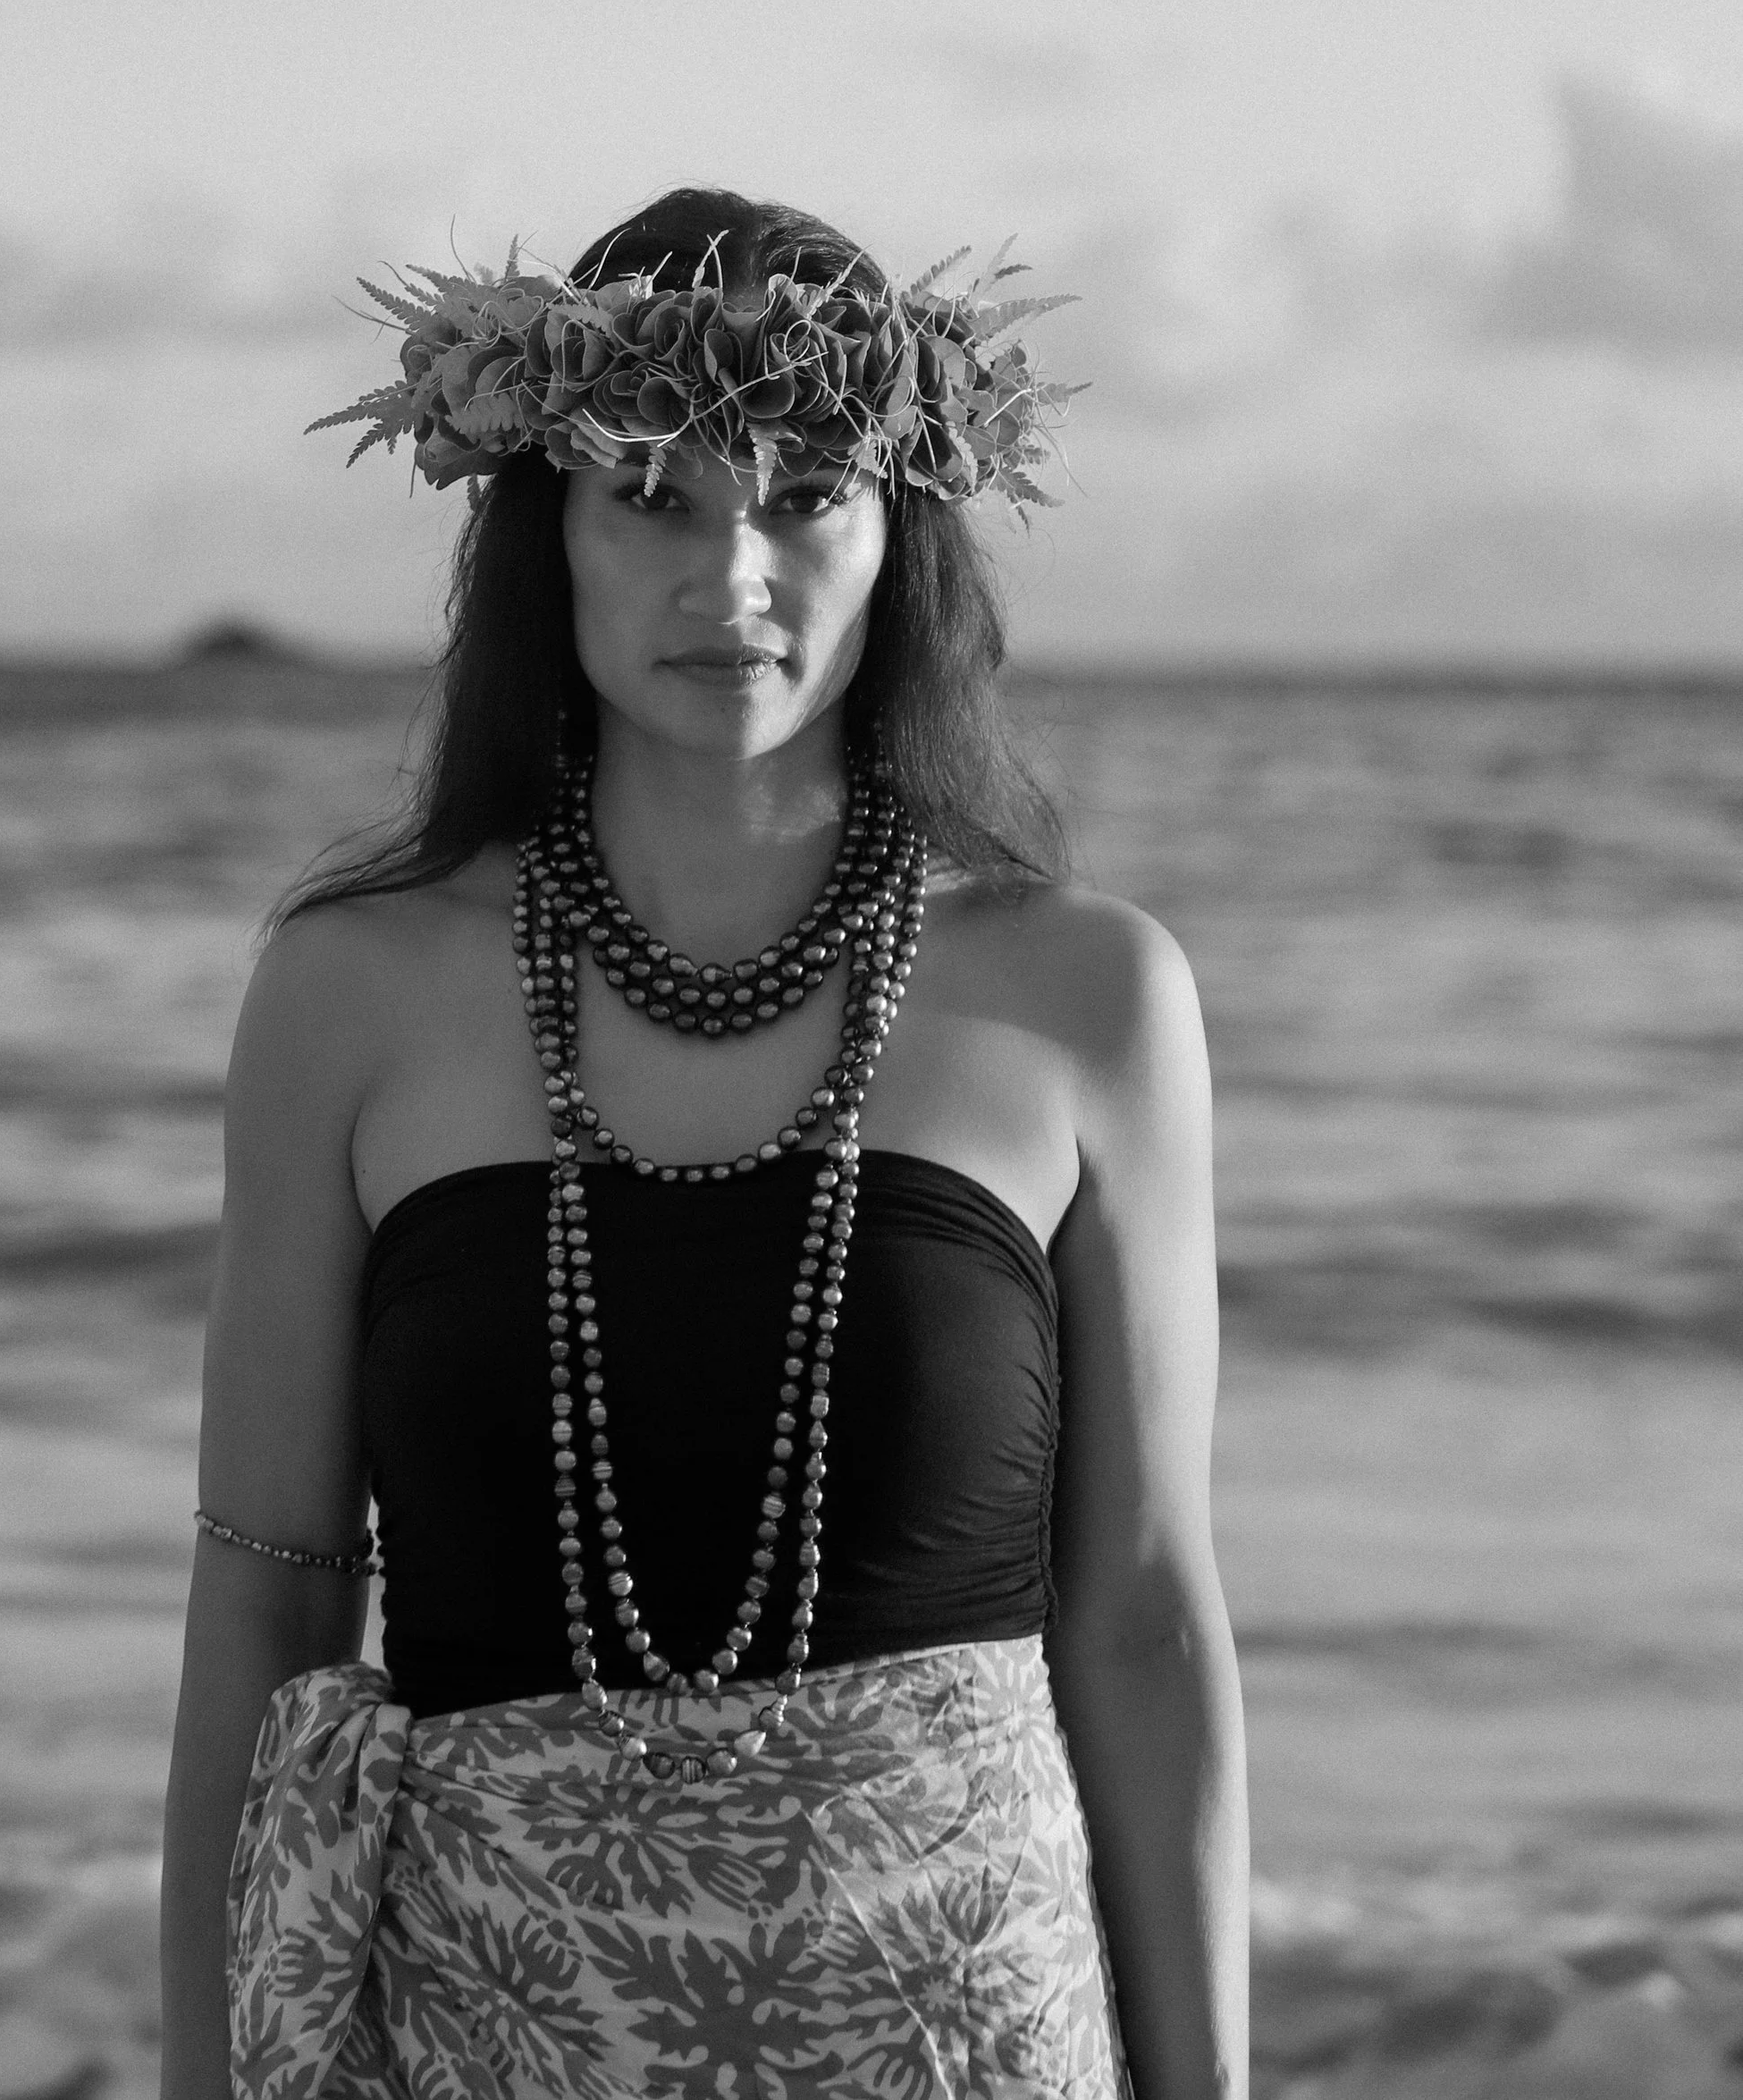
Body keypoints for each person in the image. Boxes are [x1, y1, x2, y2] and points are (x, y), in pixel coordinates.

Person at [161, 189, 1249, 2100]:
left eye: (806, 492)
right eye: (649, 495)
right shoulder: (350, 994)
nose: (727, 575)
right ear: (545, 538)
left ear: (899, 528)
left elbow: (1144, 1620)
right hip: (494, 2034)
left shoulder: (1084, 995)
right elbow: (264, 1595)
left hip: (966, 2040)